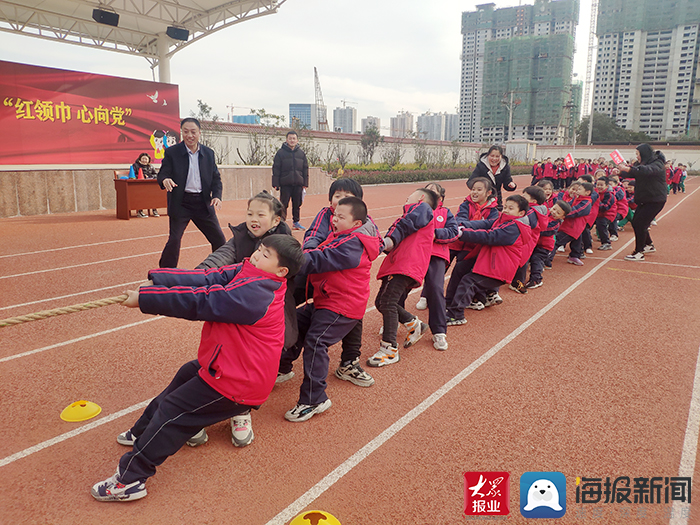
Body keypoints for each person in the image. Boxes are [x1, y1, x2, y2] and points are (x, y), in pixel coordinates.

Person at [91, 235, 305, 502]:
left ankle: (130, 480)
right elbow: (207, 279)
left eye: (265, 254)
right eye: (260, 249)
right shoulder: (248, 270)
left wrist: (146, 299)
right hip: (227, 365)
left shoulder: (257, 295)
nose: (257, 255)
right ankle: (142, 431)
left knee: (173, 412)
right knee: (185, 375)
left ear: (281, 271)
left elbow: (204, 301)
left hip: (239, 382)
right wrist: (159, 281)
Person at [194, 191, 295, 448]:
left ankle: (241, 412)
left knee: (249, 367)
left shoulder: (284, 245)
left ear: (275, 220)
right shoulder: (240, 237)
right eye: (250, 213)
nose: (253, 219)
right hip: (234, 313)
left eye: (261, 214)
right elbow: (220, 258)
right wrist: (196, 276)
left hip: (263, 320)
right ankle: (196, 414)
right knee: (221, 357)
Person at [280, 197, 381, 421]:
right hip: (327, 299)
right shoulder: (342, 236)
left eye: (341, 217)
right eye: (334, 215)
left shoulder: (353, 244)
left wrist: (286, 258)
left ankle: (314, 399)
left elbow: (320, 258)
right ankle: (282, 367)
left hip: (342, 306)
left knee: (317, 342)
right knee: (295, 321)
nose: (334, 220)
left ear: (356, 223)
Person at [293, 177, 377, 388]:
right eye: (337, 196)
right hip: (321, 278)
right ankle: (283, 364)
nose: (340, 201)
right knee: (299, 318)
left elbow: (337, 254)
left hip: (331, 282)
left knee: (324, 332)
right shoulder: (330, 218)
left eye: (347, 197)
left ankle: (318, 392)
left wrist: (301, 259)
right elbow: (313, 236)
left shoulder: (355, 236)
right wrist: (311, 252)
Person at [368, 188, 437, 367]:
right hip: (399, 263)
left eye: (409, 196)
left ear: (421, 198)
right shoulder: (410, 216)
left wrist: (389, 240)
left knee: (389, 303)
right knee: (381, 302)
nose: (406, 199)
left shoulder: (422, 209)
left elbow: (406, 225)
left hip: (406, 264)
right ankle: (414, 324)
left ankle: (389, 349)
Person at [445, 195, 531, 326]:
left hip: (499, 268)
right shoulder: (503, 220)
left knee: (469, 281)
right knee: (460, 268)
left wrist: (462, 234)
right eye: (505, 207)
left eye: (511, 208)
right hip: (488, 260)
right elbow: (483, 224)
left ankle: (456, 314)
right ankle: (449, 302)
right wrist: (460, 225)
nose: (506, 210)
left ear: (521, 213)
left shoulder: (514, 228)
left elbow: (490, 236)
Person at [157, 118, 226, 268]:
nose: (189, 135)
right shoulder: (172, 153)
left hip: (202, 203)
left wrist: (216, 196)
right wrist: (165, 179)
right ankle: (165, 273)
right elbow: (163, 173)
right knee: (174, 240)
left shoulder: (208, 153)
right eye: (186, 131)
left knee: (219, 239)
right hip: (181, 203)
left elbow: (216, 179)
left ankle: (222, 269)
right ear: (182, 133)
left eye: (193, 132)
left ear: (199, 133)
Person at [414, 183, 459, 351]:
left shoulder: (445, 212)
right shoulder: (415, 210)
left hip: (436, 255)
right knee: (399, 286)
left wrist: (435, 234)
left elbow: (453, 232)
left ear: (440, 197)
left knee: (435, 288)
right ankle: (394, 322)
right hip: (415, 253)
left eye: (434, 191)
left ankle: (439, 331)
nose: (429, 193)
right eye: (426, 190)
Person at [616, 144, 667, 261]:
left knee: (640, 224)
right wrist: (620, 172)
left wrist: (628, 169)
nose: (637, 157)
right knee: (636, 222)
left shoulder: (657, 163)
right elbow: (633, 172)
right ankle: (648, 245)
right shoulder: (641, 164)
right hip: (645, 198)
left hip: (655, 199)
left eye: (638, 154)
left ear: (644, 153)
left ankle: (639, 252)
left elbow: (646, 171)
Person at [526, 201, 570, 289]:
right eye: (554, 209)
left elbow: (542, 230)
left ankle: (536, 279)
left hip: (544, 246)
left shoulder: (555, 224)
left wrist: (532, 226)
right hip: (535, 243)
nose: (554, 212)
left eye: (558, 213)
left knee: (536, 259)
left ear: (562, 217)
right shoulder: (546, 214)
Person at [272, 131, 309, 230]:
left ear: (297, 140)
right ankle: (281, 223)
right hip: (285, 183)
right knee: (283, 204)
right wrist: (276, 183)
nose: (292, 140)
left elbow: (305, 168)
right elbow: (276, 168)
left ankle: (296, 222)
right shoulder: (280, 153)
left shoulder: (301, 154)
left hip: (298, 183)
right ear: (286, 140)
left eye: (294, 138)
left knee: (297, 204)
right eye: (290, 138)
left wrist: (305, 183)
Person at [468, 145, 517, 209]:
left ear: (501, 157)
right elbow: (470, 182)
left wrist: (511, 185)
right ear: (488, 155)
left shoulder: (505, 167)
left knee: (496, 216)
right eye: (492, 156)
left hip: (496, 200)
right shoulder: (481, 166)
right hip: (482, 199)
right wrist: (480, 189)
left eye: (497, 156)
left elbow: (507, 182)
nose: (494, 159)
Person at [131, 153, 160, 218]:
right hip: (138, 186)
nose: (144, 160)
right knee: (141, 195)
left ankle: (154, 210)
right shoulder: (135, 165)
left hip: (149, 186)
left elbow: (156, 175)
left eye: (146, 159)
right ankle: (140, 211)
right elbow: (132, 175)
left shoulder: (151, 166)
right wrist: (142, 176)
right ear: (140, 159)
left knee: (154, 194)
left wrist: (150, 176)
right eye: (143, 158)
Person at [595, 175, 616, 251]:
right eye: (598, 185)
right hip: (598, 213)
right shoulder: (595, 193)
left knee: (601, 223)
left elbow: (605, 207)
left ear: (606, 186)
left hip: (608, 214)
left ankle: (606, 243)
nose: (599, 187)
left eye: (601, 185)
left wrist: (596, 203)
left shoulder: (609, 194)